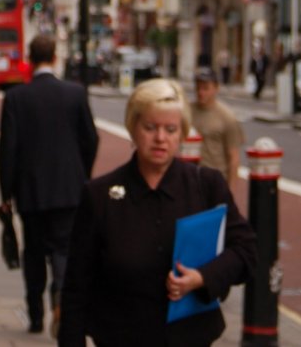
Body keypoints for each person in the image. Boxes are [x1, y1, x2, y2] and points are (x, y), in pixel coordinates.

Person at [59, 78, 256, 347]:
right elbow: (75, 286)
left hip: (189, 338)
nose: (160, 138)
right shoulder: (99, 195)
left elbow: (245, 251)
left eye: (171, 129)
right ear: (133, 128)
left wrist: (202, 278)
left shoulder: (206, 185)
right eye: (150, 127)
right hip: (120, 337)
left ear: (182, 133)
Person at [0, 34, 99, 337]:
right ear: (55, 58)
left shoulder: (16, 98)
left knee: (34, 253)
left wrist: (7, 194)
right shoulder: (75, 94)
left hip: (31, 192)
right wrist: (82, 175)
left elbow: (8, 151)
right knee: (63, 251)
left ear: (31, 57)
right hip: (69, 190)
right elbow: (91, 140)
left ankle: (36, 317)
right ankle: (61, 299)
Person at [191, 66, 244, 187]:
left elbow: (234, 158)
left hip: (216, 182)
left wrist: (229, 193)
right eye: (198, 87)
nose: (201, 92)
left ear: (216, 88)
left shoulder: (227, 117)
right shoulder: (187, 111)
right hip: (191, 180)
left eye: (205, 88)